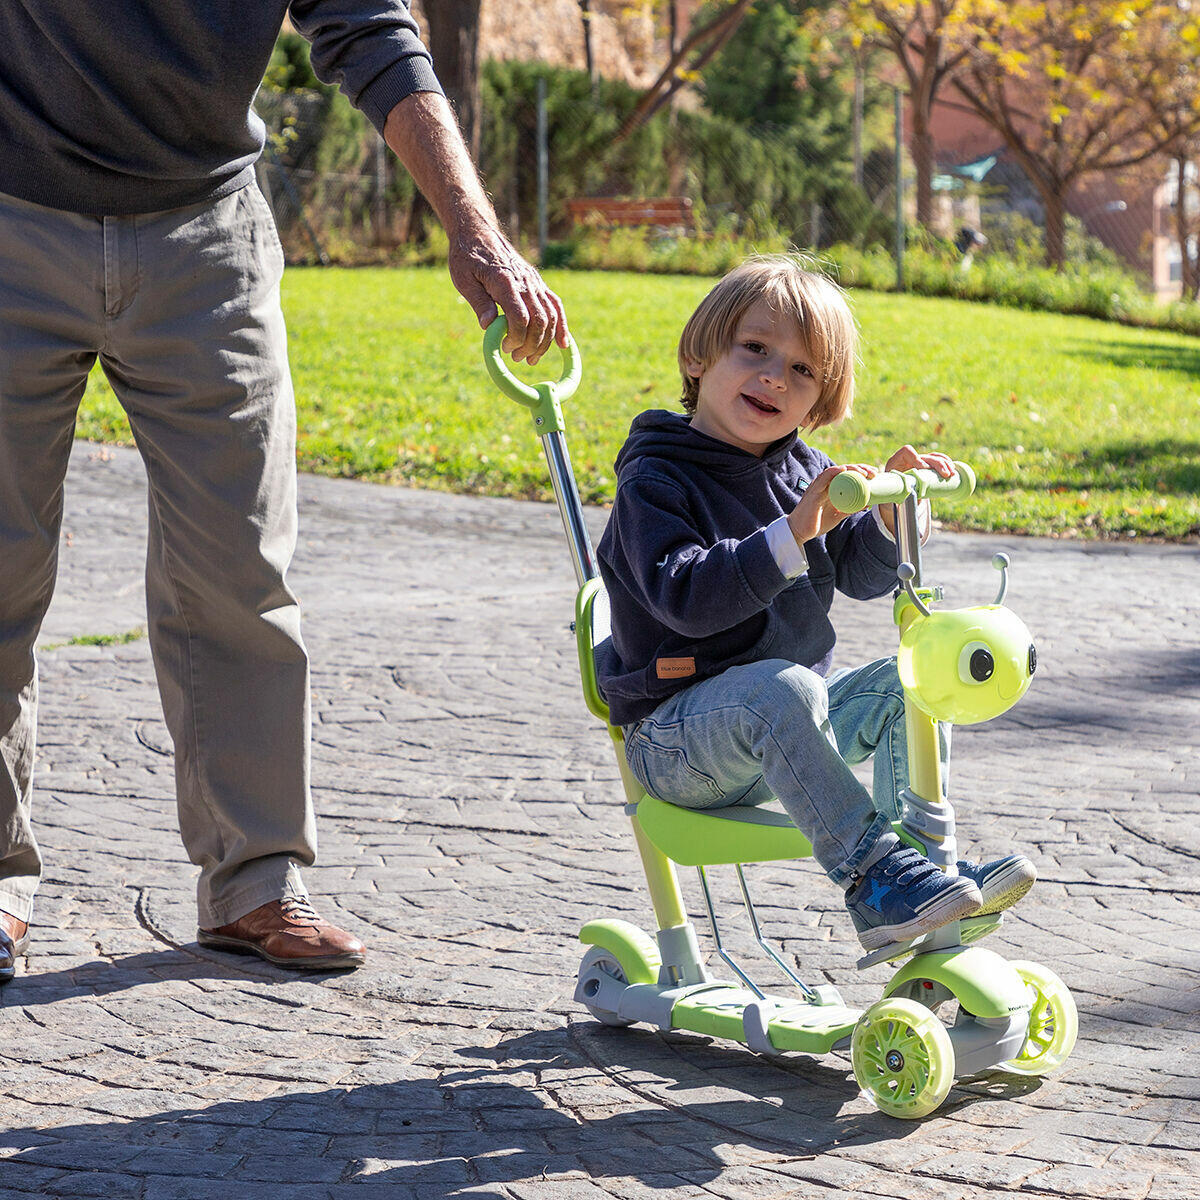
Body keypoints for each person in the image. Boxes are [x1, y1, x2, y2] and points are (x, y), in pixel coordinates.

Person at [0, 2, 568, 983]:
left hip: (204, 232)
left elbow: (370, 29)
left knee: (237, 568)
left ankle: (253, 881)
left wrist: (473, 230)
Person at [596, 256, 1033, 952]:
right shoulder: (657, 479)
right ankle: (874, 878)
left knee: (910, 678)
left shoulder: (802, 468)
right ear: (698, 355)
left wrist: (892, 518)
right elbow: (686, 598)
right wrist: (793, 531)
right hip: (676, 741)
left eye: (803, 371)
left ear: (821, 397)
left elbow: (860, 574)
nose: (776, 376)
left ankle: (925, 869)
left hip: (784, 720)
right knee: (783, 687)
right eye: (756, 349)